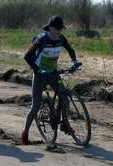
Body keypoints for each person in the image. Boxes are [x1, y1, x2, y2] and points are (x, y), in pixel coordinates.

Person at [20, 15, 80, 145]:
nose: (59, 31)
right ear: (50, 27)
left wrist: (75, 62)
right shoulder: (42, 39)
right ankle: (25, 132)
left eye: (61, 28)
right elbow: (27, 56)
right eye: (56, 28)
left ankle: (65, 124)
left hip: (53, 74)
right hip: (40, 75)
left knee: (65, 97)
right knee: (35, 107)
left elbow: (70, 49)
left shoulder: (61, 39)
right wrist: (37, 69)